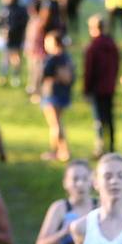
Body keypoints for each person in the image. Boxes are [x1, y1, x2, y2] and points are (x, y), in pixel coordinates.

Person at [83, 14, 120, 158]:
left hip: (97, 88)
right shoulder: (112, 45)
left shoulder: (94, 46)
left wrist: (86, 89)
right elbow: (116, 66)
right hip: (109, 87)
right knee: (109, 118)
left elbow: (89, 70)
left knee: (99, 119)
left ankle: (100, 147)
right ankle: (111, 146)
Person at [40, 31, 74, 161]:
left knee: (55, 124)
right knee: (58, 123)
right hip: (64, 94)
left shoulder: (53, 58)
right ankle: (63, 151)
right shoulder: (67, 57)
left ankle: (58, 152)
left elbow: (44, 73)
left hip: (52, 94)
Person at [0, 0, 28, 87]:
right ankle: (3, 76)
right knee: (5, 57)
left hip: (16, 37)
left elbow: (23, 23)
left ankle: (15, 76)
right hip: (7, 38)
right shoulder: (4, 8)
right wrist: (3, 30)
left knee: (16, 57)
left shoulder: (21, 9)